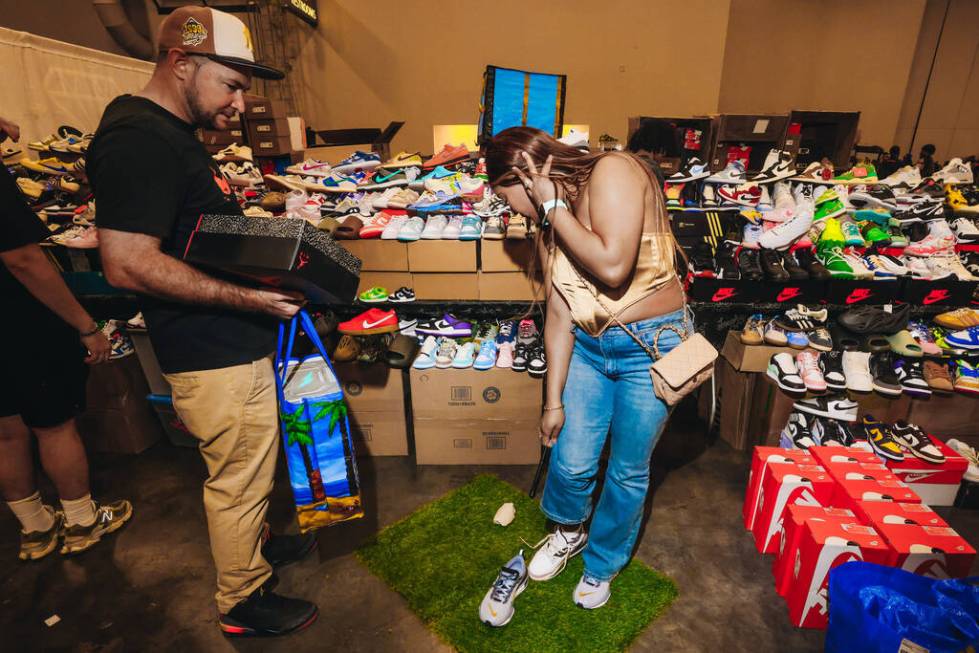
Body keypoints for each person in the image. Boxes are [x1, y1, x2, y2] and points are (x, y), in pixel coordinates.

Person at [91, 6, 316, 639]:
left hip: (230, 342)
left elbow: (190, 233)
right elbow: (128, 265)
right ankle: (241, 600)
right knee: (238, 476)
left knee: (254, 463)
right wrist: (254, 301)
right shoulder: (139, 140)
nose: (242, 103)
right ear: (181, 63)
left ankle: (257, 551)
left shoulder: (167, 134)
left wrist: (274, 239)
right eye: (233, 85)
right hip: (211, 351)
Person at [483, 126, 693, 609]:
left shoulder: (613, 171)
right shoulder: (549, 224)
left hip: (650, 349)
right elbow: (558, 314)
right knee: (572, 459)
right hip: (591, 351)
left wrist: (552, 206)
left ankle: (601, 565)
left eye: (505, 197)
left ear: (523, 177)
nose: (511, 211)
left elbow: (613, 265)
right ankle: (569, 532)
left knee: (626, 470)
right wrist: (552, 400)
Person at [0, 116, 131, 561]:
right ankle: (81, 521)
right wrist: (85, 325)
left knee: (6, 431)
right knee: (53, 425)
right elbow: (23, 260)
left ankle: (35, 531)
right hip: (17, 322)